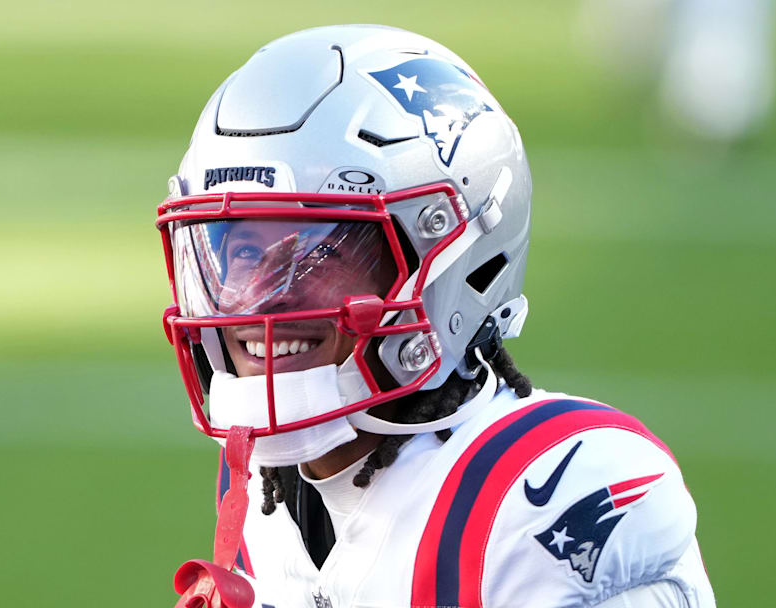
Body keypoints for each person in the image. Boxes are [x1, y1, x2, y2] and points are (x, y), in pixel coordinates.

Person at [156, 25, 716, 608]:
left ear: (451, 260)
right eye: (241, 250)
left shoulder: (551, 494)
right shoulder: (266, 491)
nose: (260, 298)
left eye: (318, 251)